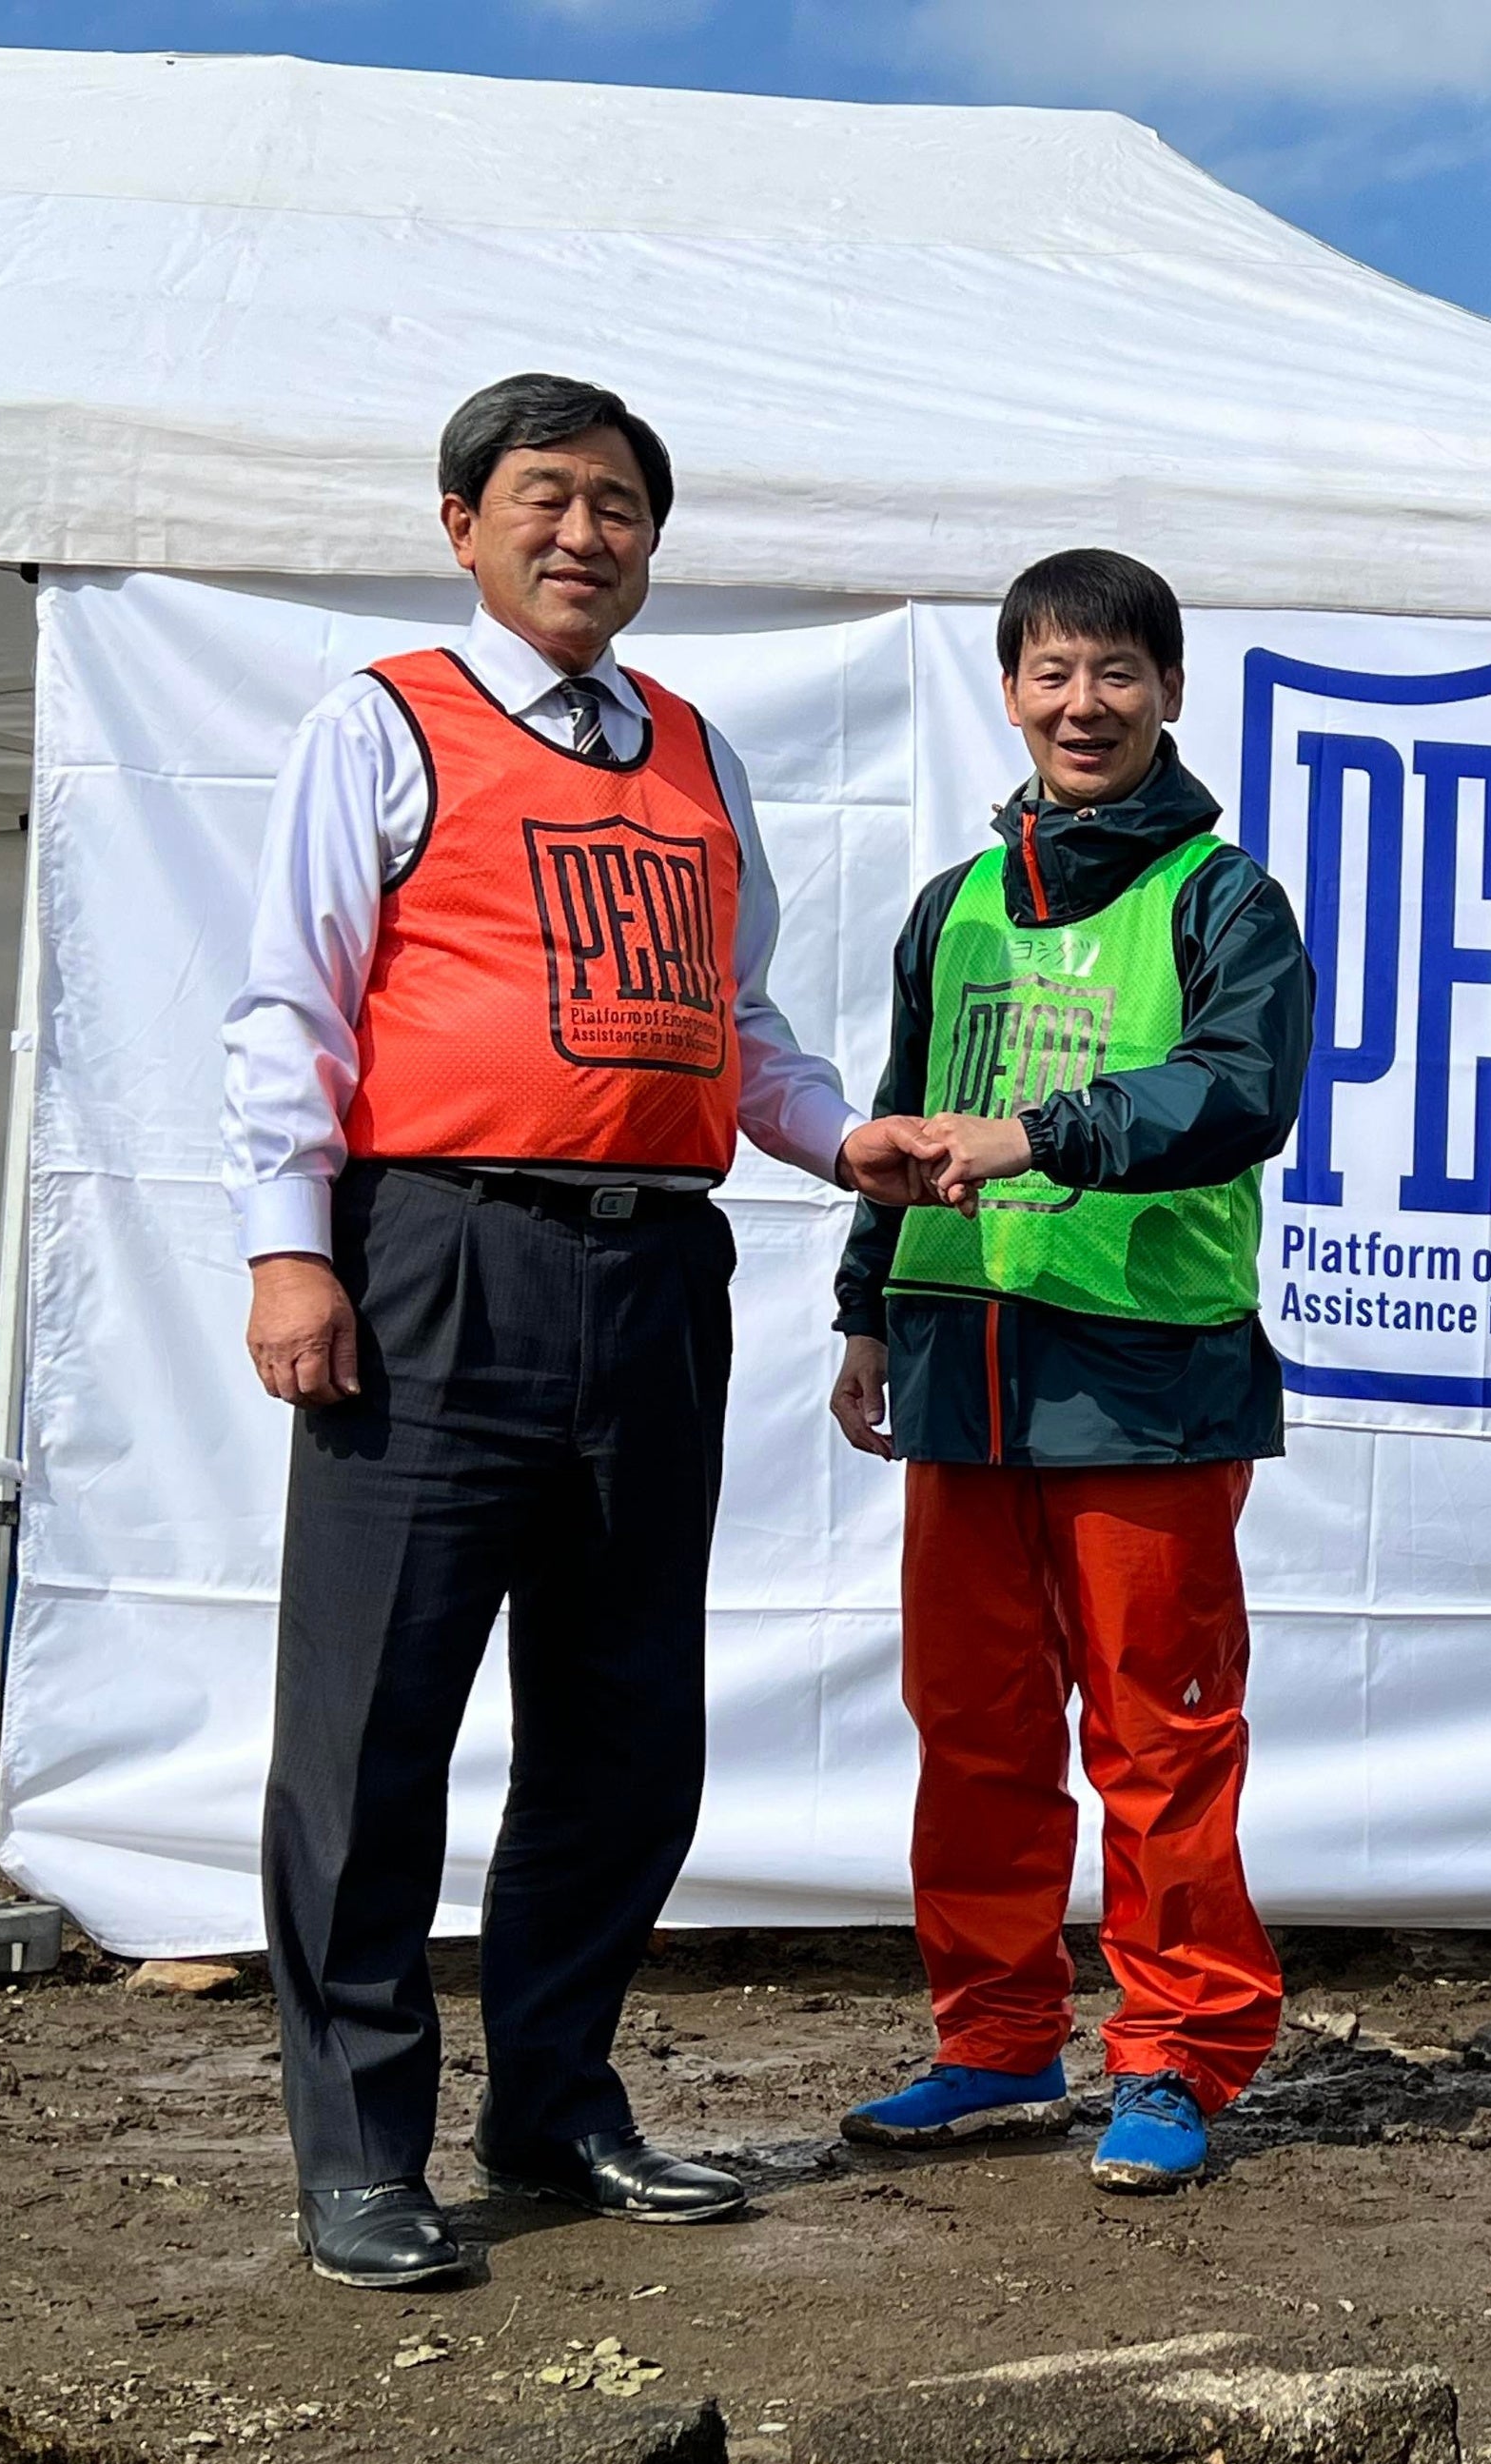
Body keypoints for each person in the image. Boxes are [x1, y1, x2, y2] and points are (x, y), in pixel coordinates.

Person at [222, 373, 939, 2289]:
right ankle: (362, 2151)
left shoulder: (693, 750)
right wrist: (290, 1249)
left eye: (619, 504)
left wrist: (842, 1136)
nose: (584, 533)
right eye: (544, 495)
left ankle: (552, 2096)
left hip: (653, 1276)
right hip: (433, 1258)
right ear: (462, 523)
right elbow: (292, 1005)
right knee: (371, 1727)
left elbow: (741, 1024)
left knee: (625, 1730)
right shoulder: (384, 723)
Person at [830, 548, 1313, 2193]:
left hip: (1146, 1378)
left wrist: (1040, 1134)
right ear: (1011, 691)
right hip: (958, 1365)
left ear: (1169, 689)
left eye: (1116, 672)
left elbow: (1239, 1092)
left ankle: (1178, 2050)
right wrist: (864, 1308)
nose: (1082, 703)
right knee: (972, 1728)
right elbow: (904, 1108)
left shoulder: (1224, 899)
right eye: (1051, 672)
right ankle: (995, 2038)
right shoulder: (949, 904)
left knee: (1159, 1737)